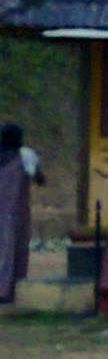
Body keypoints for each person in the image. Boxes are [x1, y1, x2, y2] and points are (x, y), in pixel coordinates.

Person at [0, 122, 31, 305]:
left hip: (10, 210)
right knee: (12, 250)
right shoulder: (25, 156)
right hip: (14, 211)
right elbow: (39, 178)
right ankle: (8, 290)